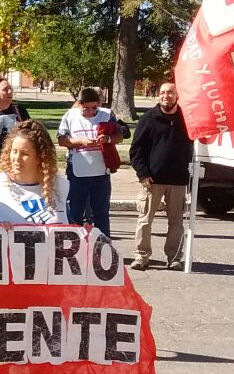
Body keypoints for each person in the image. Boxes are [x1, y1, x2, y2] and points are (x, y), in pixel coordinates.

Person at [128, 82, 193, 271]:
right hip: (152, 180)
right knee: (145, 220)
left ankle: (174, 258)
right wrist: (143, 173)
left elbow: (196, 145)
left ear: (177, 96)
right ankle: (141, 257)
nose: (166, 96)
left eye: (171, 92)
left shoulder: (186, 119)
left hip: (178, 180)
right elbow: (136, 150)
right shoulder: (148, 119)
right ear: (159, 95)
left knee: (176, 223)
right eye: (163, 92)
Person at [0, 121, 69, 225]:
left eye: (25, 154)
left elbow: (77, 230)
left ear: (41, 157)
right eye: (14, 151)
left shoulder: (62, 187)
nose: (17, 159)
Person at [58, 87, 124, 236]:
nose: (90, 112)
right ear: (79, 104)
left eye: (94, 108)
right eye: (86, 108)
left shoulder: (106, 115)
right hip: (78, 172)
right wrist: (81, 141)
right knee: (76, 211)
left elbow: (120, 135)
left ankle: (104, 246)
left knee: (101, 212)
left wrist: (107, 139)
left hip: (101, 171)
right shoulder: (70, 116)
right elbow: (62, 140)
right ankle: (76, 245)